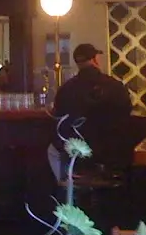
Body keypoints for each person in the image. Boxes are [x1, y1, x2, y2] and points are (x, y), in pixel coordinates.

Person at [51, 43, 132, 177]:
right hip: (112, 157)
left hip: (77, 157)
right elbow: (126, 114)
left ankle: (64, 182)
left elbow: (58, 120)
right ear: (95, 59)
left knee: (53, 151)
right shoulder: (115, 86)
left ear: (77, 63)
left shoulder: (65, 89)